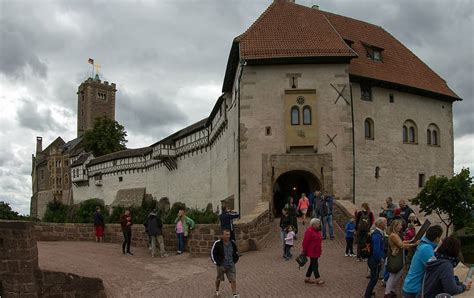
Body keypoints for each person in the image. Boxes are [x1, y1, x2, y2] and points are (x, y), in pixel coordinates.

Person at [402, 225, 443, 297]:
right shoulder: (426, 248)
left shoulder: (423, 244)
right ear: (437, 238)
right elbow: (434, 268)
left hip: (411, 286)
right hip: (414, 289)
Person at [384, 219, 419, 298]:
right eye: (399, 225)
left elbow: (401, 242)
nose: (401, 227)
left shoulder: (396, 234)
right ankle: (387, 293)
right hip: (395, 257)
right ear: (395, 226)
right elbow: (401, 245)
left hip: (397, 256)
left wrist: (410, 241)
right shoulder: (393, 235)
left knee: (397, 274)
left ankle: (391, 290)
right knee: (393, 275)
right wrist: (414, 244)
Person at [211, 229, 240, 298]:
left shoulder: (232, 243)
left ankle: (234, 294)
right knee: (219, 279)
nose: (228, 236)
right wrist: (217, 262)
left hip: (231, 265)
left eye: (229, 234)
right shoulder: (217, 243)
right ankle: (217, 290)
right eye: (226, 234)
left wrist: (235, 260)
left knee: (233, 279)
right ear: (222, 235)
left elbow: (236, 252)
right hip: (221, 265)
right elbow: (212, 253)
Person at [364, 217, 387, 298]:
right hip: (374, 260)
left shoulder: (378, 233)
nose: (386, 224)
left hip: (373, 260)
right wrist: (380, 259)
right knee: (373, 279)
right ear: (380, 224)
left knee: (374, 278)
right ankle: (367, 294)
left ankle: (370, 292)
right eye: (385, 222)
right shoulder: (377, 235)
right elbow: (376, 251)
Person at [302, 218, 324, 285]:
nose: (319, 225)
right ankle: (318, 279)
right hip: (311, 250)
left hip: (317, 250)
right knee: (315, 264)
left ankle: (307, 278)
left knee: (312, 264)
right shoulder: (309, 231)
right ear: (313, 224)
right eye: (318, 224)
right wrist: (304, 250)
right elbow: (305, 242)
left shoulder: (318, 231)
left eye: (319, 224)